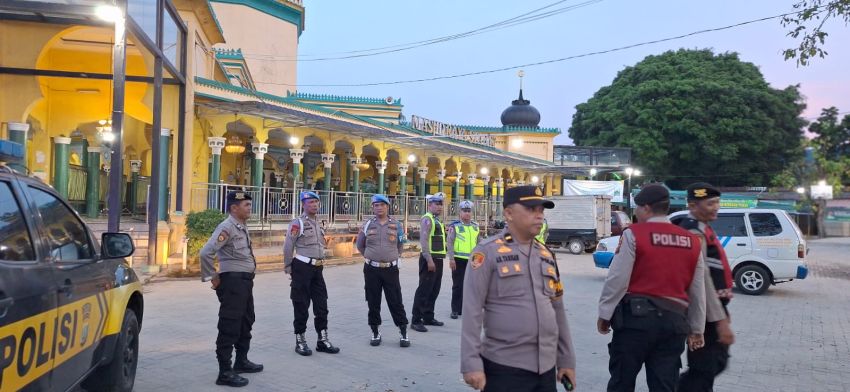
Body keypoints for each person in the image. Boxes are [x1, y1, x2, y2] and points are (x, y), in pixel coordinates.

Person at [461, 185, 577, 392]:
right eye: (531, 209)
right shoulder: (487, 252)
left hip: (546, 368)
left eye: (541, 210)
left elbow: (558, 309)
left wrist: (566, 359)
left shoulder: (546, 254)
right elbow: (472, 310)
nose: (539, 216)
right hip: (505, 368)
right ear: (509, 213)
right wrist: (471, 362)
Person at [597, 184, 707, 392]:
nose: (635, 213)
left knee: (622, 382)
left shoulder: (634, 234)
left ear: (646, 208)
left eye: (637, 208)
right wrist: (697, 329)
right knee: (664, 385)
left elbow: (617, 279)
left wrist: (605, 313)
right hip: (674, 325)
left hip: (635, 324)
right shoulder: (691, 241)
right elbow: (697, 290)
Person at [200, 190, 263, 387]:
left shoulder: (241, 226)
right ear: (234, 208)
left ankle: (241, 361)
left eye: (249, 204)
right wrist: (213, 277)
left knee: (246, 320)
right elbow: (205, 253)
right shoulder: (226, 227)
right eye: (246, 205)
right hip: (233, 283)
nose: (249, 207)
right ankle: (225, 372)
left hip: (244, 283)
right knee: (230, 325)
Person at [678, 183, 736, 391]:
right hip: (704, 312)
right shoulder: (694, 232)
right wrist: (720, 320)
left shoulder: (702, 228)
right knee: (705, 367)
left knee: (712, 363)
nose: (716, 207)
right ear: (693, 206)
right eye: (710, 203)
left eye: (717, 202)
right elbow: (701, 280)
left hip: (712, 309)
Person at [283, 191, 340, 356]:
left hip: (318, 269)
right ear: (303, 204)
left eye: (316, 202)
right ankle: (300, 341)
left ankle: (322, 340)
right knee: (301, 305)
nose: (314, 205)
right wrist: (288, 266)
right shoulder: (297, 223)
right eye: (310, 202)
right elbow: (288, 245)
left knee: (322, 305)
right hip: (302, 268)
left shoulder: (319, 223)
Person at [355, 194, 411, 347]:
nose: (379, 208)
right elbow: (360, 245)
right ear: (372, 208)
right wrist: (370, 256)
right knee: (373, 300)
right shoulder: (367, 225)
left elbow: (401, 244)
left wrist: (395, 256)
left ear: (387, 206)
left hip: (390, 270)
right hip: (371, 269)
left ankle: (403, 331)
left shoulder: (397, 225)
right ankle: (375, 331)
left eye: (382, 205)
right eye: (376, 205)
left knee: (395, 300)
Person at [411, 192, 447, 332]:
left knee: (434, 290)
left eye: (441, 204)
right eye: (436, 204)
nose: (439, 207)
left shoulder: (436, 219)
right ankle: (416, 320)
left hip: (438, 259)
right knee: (424, 290)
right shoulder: (427, 219)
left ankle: (428, 316)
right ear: (430, 205)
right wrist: (429, 260)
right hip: (430, 260)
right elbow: (424, 241)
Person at [446, 200, 482, 319]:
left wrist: (479, 260)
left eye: (469, 211)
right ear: (460, 212)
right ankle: (455, 309)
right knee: (458, 285)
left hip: (472, 260)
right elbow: (450, 243)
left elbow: (479, 244)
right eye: (464, 211)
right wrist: (451, 259)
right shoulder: (455, 226)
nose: (467, 213)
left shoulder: (475, 227)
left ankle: (466, 308)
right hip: (458, 260)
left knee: (471, 286)